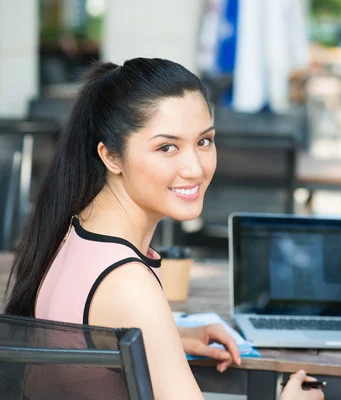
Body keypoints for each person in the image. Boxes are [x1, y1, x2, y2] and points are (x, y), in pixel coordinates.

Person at [5, 58, 323, 400]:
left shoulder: (75, 229)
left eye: (204, 141)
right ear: (111, 156)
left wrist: (170, 337)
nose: (195, 168)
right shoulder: (128, 282)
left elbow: (86, 336)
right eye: (166, 147)